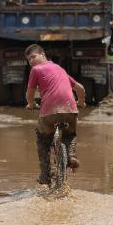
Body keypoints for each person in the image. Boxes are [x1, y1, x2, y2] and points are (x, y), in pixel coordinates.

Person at [25, 44, 86, 185]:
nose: (32, 61)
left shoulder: (36, 70)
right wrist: (81, 102)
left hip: (49, 113)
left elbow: (30, 93)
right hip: (70, 110)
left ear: (43, 54)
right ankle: (70, 156)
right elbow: (80, 88)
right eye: (29, 60)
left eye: (33, 57)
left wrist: (31, 103)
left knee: (42, 139)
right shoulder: (60, 69)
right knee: (70, 135)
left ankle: (45, 175)